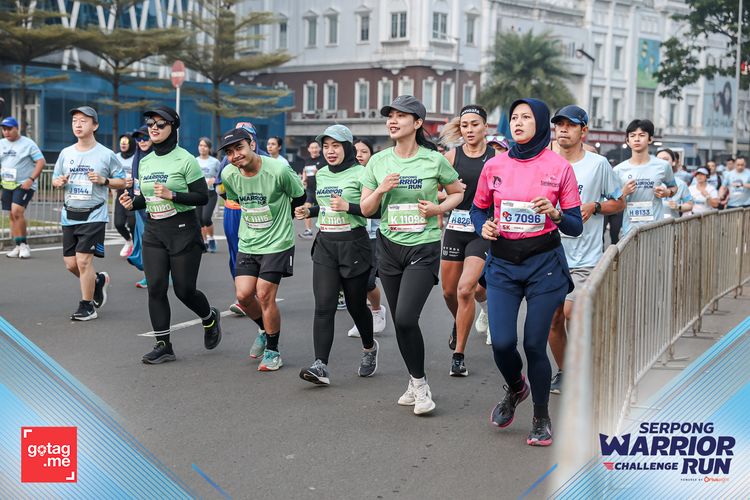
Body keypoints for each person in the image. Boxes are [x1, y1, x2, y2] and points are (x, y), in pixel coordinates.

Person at [471, 98, 583, 447]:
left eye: (526, 117)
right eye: (514, 117)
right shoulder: (495, 165)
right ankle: (517, 387)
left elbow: (575, 224)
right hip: (503, 264)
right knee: (503, 343)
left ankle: (541, 417)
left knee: (535, 344)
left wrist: (555, 213)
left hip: (544, 266)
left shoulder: (559, 167)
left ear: (541, 124)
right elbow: (477, 210)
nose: (518, 122)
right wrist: (483, 226)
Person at [360, 95, 464, 415]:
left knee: (406, 317)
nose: (392, 121)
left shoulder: (434, 160)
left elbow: (458, 192)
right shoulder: (378, 161)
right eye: (389, 115)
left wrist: (437, 208)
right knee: (401, 323)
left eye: (400, 116)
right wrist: (381, 190)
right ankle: (415, 380)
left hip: (423, 245)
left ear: (417, 123)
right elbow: (366, 208)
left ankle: (420, 388)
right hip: (389, 246)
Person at [119, 105, 221, 364]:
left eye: (160, 124)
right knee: (155, 288)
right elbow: (145, 198)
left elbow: (201, 197)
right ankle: (163, 345)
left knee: (185, 291)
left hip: (183, 230)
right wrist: (132, 203)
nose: (153, 128)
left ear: (173, 127)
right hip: (154, 230)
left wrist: (172, 194)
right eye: (150, 124)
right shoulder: (145, 161)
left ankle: (209, 318)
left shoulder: (185, 159)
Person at [546, 105, 624, 394]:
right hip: (550, 253)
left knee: (572, 313)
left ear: (584, 131)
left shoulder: (598, 164)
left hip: (585, 256)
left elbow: (619, 202)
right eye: (559, 125)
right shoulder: (543, 163)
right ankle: (566, 371)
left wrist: (595, 206)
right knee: (553, 319)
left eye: (570, 125)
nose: (563, 129)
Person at [295, 125, 379, 384]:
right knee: (324, 306)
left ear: (347, 147)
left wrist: (348, 206)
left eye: (336, 146)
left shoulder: (362, 173)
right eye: (326, 146)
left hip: (354, 245)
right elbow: (325, 207)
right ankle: (320, 365)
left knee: (356, 305)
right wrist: (309, 212)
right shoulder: (321, 174)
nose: (330, 151)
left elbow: (376, 210)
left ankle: (369, 348)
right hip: (326, 245)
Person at [218, 127, 306, 371]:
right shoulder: (228, 174)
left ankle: (273, 351)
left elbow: (299, 196)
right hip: (249, 241)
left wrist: (283, 219)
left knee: (264, 293)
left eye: (239, 148)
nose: (235, 155)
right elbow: (236, 198)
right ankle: (264, 330)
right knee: (244, 296)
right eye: (229, 152)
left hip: (277, 241)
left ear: (252, 145)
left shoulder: (278, 170)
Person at [52, 106, 125, 320]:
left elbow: (122, 181)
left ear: (95, 125)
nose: (78, 124)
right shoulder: (66, 153)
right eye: (75, 120)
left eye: (83, 120)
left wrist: (104, 180)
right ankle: (98, 280)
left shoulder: (106, 154)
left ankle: (87, 307)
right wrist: (58, 182)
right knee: (71, 264)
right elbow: (55, 178)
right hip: (69, 214)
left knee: (83, 261)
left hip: (94, 214)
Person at [438, 105, 496, 377]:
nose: (469, 130)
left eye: (475, 124)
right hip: (456, 226)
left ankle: (458, 355)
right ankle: (460, 320)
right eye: (464, 125)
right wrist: (452, 192)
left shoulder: (497, 158)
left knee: (465, 290)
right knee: (449, 292)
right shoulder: (451, 156)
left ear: (485, 127)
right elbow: (436, 192)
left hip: (481, 229)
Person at [215, 122, 265, 316]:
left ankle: (260, 293)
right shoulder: (227, 161)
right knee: (236, 253)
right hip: (234, 211)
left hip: (259, 212)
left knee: (260, 253)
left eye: (245, 138)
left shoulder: (265, 159)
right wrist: (233, 198)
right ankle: (243, 295)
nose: (235, 152)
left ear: (252, 141)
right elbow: (219, 186)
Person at [347, 137, 388, 338]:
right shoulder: (348, 176)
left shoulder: (378, 175)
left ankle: (377, 311)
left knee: (368, 281)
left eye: (364, 152)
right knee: (354, 282)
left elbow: (380, 209)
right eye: (356, 151)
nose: (359, 155)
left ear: (371, 155)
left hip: (374, 235)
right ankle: (363, 319)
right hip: (352, 235)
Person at [613, 120, 677, 235]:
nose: (637, 139)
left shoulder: (663, 166)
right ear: (627, 141)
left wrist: (667, 192)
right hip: (630, 231)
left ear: (650, 139)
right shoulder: (619, 170)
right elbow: (611, 201)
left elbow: (674, 187)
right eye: (632, 136)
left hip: (656, 229)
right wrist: (623, 193)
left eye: (642, 135)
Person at [1, 116, 45, 259]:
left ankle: (24, 245)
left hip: (24, 184)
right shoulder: (1, 144)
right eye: (4, 129)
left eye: (9, 129)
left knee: (17, 211)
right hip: (7, 184)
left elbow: (41, 161)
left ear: (17, 128)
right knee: (11, 214)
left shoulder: (28, 143)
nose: (6, 132)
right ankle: (17, 245)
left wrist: (31, 179)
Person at [126, 125, 152, 288]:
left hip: (156, 205)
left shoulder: (157, 156)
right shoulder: (137, 156)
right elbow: (135, 182)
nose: (142, 141)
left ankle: (160, 273)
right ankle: (150, 275)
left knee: (153, 242)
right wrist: (129, 190)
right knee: (143, 242)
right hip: (139, 206)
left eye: (145, 138)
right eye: (138, 138)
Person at [114, 133, 137, 258]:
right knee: (118, 223)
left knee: (132, 223)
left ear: (131, 144)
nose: (123, 144)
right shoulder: (116, 157)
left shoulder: (136, 156)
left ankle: (136, 245)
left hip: (133, 193)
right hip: (120, 192)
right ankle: (128, 240)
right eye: (121, 142)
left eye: (126, 142)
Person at [196, 137, 220, 253]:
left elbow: (221, 175)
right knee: (199, 220)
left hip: (210, 194)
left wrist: (215, 179)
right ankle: (204, 242)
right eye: (201, 145)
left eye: (205, 146)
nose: (202, 148)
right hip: (197, 193)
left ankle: (211, 239)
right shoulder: (194, 161)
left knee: (206, 218)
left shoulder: (215, 162)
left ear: (209, 148)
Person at [656, 148, 693, 218]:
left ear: (673, 162)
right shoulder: (649, 181)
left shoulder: (681, 184)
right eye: (658, 160)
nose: (661, 162)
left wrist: (678, 206)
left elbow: (689, 205)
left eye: (665, 159)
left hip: (672, 223)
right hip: (651, 223)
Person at [299, 139, 323, 239]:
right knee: (306, 207)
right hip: (310, 189)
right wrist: (304, 178)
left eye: (316, 147)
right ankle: (308, 231)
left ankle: (324, 230)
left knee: (322, 210)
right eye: (312, 148)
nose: (314, 150)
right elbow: (305, 171)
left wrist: (319, 173)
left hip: (321, 190)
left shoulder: (324, 160)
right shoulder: (307, 161)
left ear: (319, 149)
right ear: (308, 149)